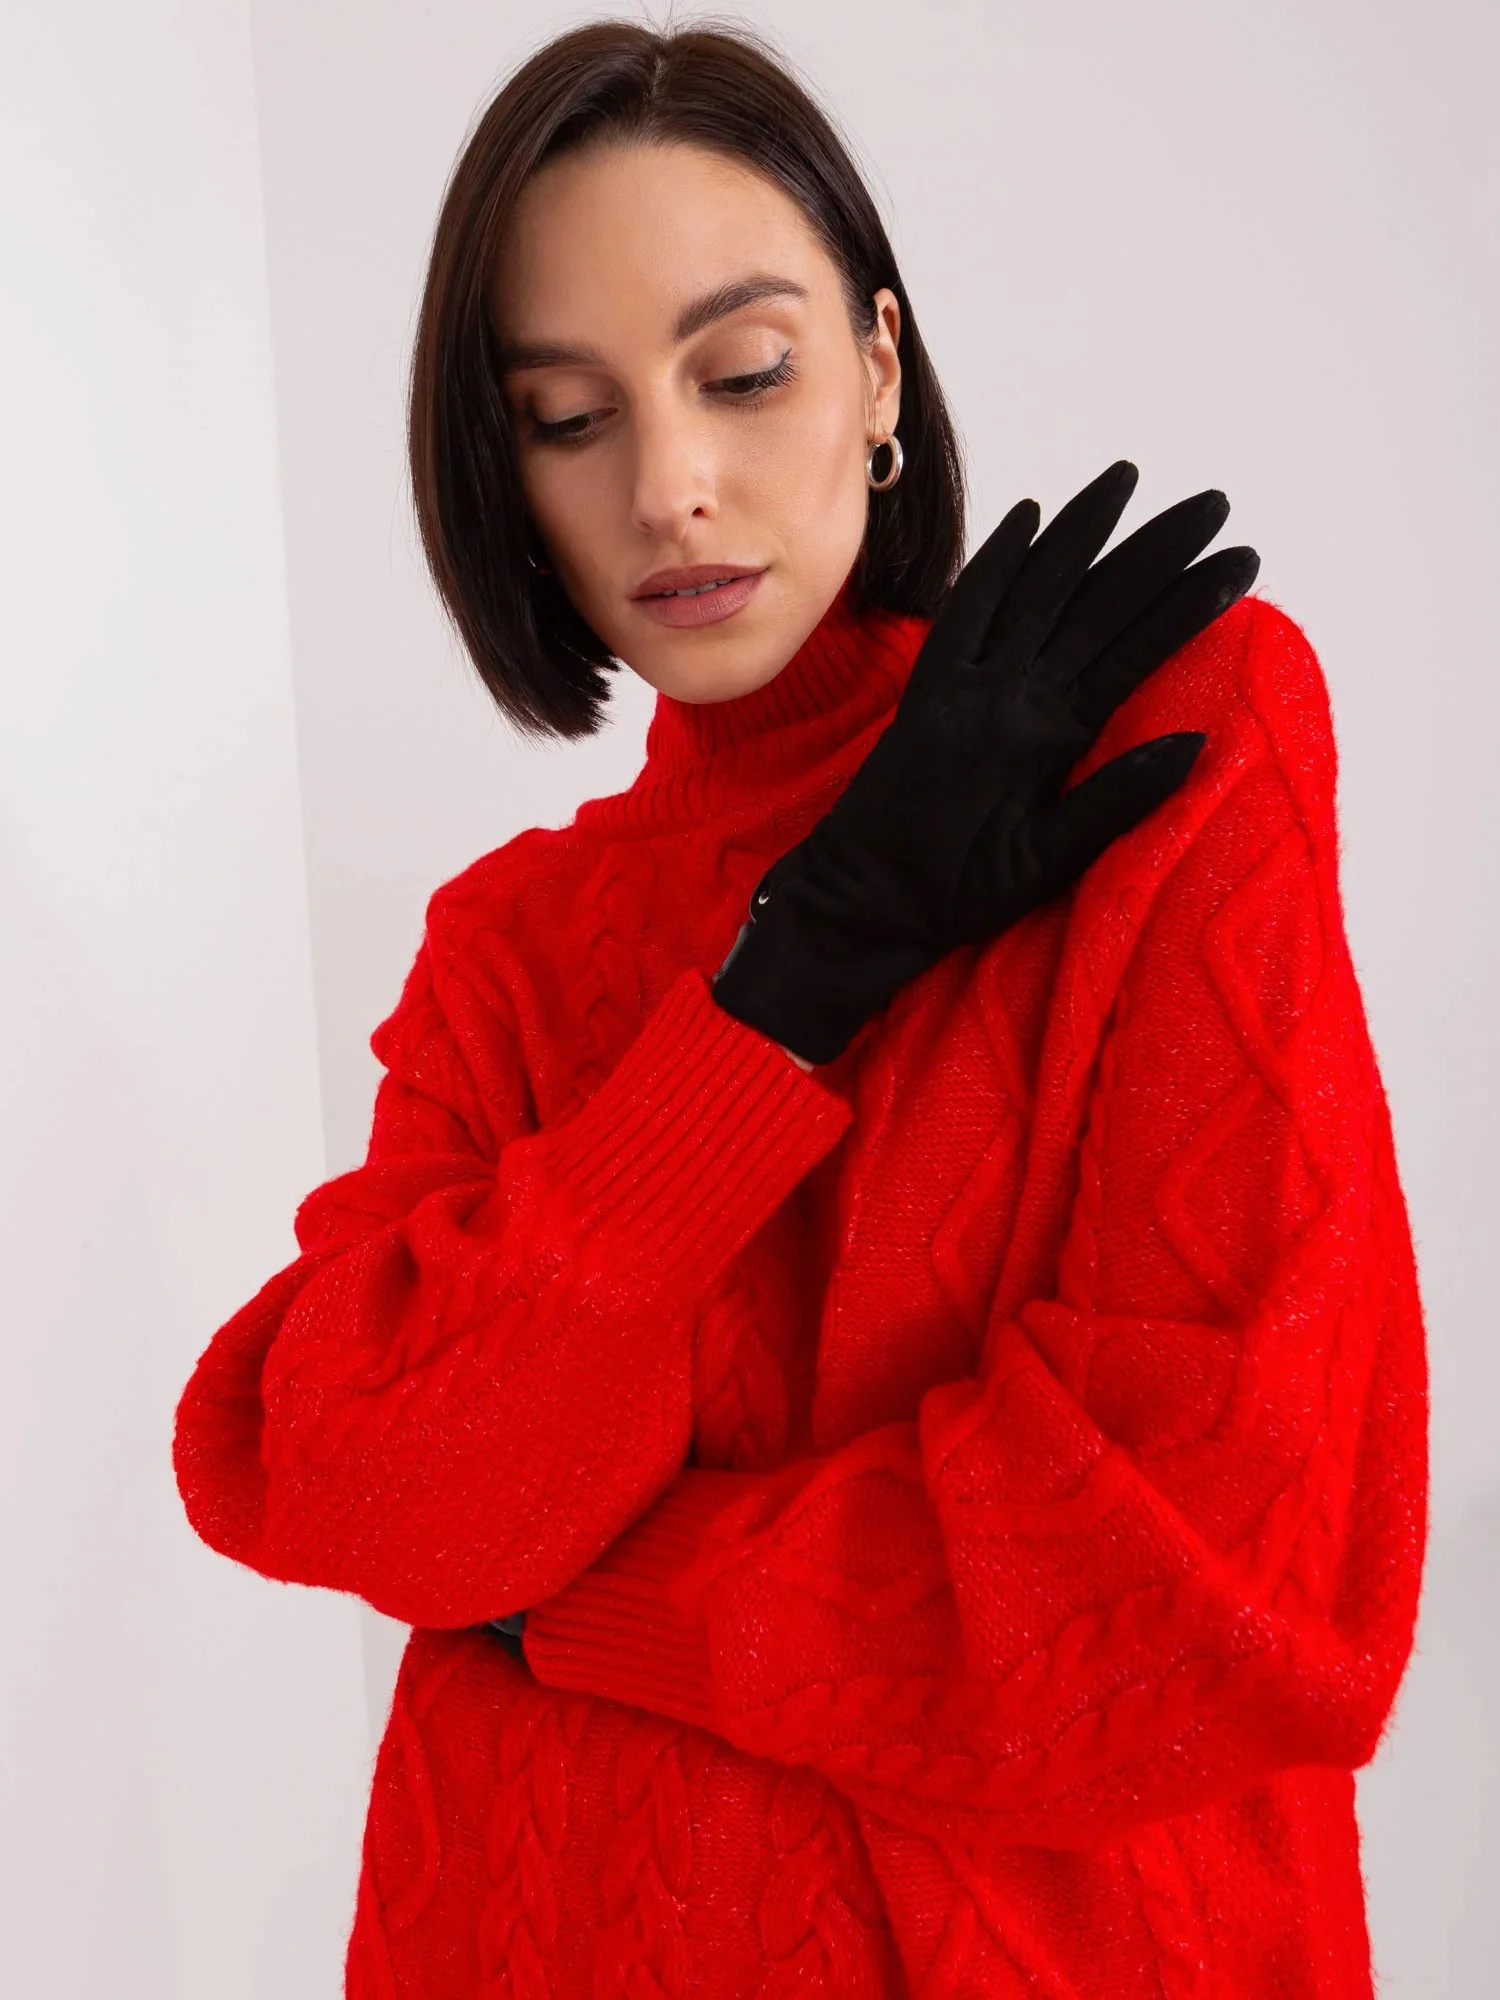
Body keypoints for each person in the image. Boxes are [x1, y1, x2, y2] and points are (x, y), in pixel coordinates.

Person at [172, 20, 1428, 1999]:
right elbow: (365, 1493)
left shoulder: (1174, 748)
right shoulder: (511, 947)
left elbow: (1219, 1596)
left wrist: (582, 1603)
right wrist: (786, 985)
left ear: (877, 371)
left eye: (743, 373)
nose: (670, 487)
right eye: (567, 418)